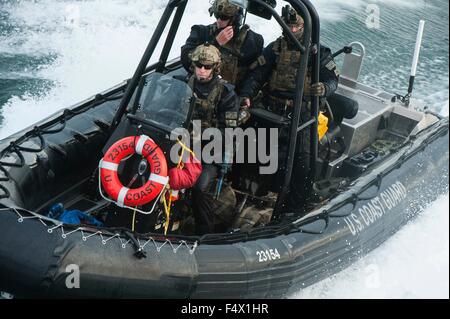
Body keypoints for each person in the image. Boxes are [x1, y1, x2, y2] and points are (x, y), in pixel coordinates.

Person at [239, 5, 340, 214]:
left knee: (301, 164)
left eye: (297, 27)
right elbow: (257, 75)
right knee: (247, 150)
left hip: (301, 113)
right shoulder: (275, 49)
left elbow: (332, 79)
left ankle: (294, 207)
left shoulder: (318, 53)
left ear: (305, 26)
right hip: (271, 108)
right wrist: (246, 96)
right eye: (289, 26)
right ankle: (247, 194)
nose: (292, 31)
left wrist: (323, 88)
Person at [187, 43, 240, 235]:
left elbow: (228, 131)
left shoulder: (226, 94)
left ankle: (204, 233)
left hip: (210, 152)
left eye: (207, 67)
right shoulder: (185, 83)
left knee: (200, 188)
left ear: (215, 67)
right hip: (182, 143)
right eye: (199, 66)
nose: (202, 70)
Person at [181, 0, 264, 92]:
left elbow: (256, 74)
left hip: (232, 95)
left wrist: (245, 95)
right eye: (217, 16)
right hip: (199, 91)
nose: (219, 21)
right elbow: (186, 60)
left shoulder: (251, 41)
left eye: (224, 18)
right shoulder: (201, 32)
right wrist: (215, 44)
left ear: (236, 19)